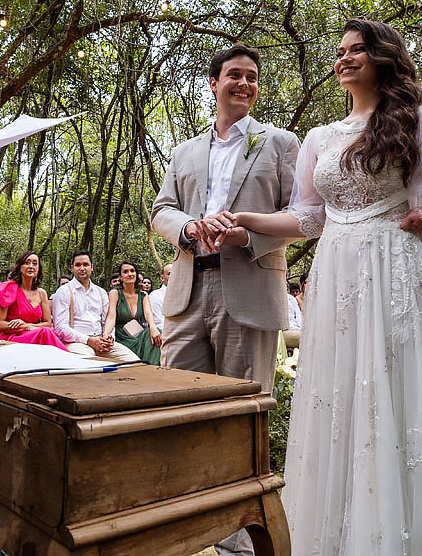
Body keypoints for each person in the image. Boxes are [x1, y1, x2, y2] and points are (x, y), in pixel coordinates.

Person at [217, 19, 422, 554]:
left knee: (404, 389)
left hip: (399, 269)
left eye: (358, 50)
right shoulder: (319, 138)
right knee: (342, 393)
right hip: (336, 273)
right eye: (341, 51)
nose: (345, 58)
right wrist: (250, 220)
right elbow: (307, 218)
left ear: (384, 57)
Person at [151, 42, 298, 556]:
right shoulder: (185, 151)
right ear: (213, 84)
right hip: (187, 292)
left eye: (252, 77)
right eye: (234, 75)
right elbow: (161, 209)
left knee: (241, 419)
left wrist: (245, 235)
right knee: (177, 411)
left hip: (250, 287)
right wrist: (189, 227)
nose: (244, 84)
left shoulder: (280, 142)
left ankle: (237, 545)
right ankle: (185, 534)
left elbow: (301, 216)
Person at [51, 251, 139, 361]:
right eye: (78, 265)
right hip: (76, 342)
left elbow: (106, 321)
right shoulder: (64, 292)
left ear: (92, 267)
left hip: (101, 341)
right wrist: (88, 340)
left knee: (134, 361)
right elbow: (60, 328)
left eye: (86, 265)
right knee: (90, 364)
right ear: (72, 268)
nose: (82, 268)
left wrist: (109, 338)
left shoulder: (101, 292)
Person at [0, 252, 68, 349]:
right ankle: (66, 359)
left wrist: (27, 326)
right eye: (27, 263)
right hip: (13, 338)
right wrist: (20, 327)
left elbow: (48, 323)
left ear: (38, 269)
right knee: (45, 332)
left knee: (46, 331)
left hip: (35, 333)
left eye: (35, 263)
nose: (31, 266)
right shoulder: (9, 289)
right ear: (20, 267)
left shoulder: (42, 293)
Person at [107, 261, 161, 364]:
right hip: (121, 336)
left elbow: (148, 313)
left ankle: (153, 371)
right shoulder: (115, 293)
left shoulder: (143, 295)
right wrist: (106, 334)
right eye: (125, 272)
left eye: (132, 271)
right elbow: (111, 316)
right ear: (120, 277)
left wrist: (153, 328)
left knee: (154, 334)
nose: (130, 274)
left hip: (139, 333)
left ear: (136, 274)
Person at [148, 262, 171, 332]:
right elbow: (159, 323)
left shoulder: (184, 295)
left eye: (176, 273)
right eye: (169, 274)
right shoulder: (155, 296)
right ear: (162, 278)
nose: (174, 276)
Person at [283, 283, 303, 350]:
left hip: (297, 328)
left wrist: (301, 328)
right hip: (285, 330)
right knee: (307, 338)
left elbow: (298, 314)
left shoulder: (291, 298)